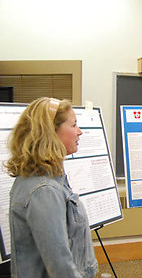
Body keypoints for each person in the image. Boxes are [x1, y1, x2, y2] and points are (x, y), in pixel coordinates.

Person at [5, 97, 98, 277]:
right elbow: (60, 266)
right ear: (50, 132)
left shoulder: (49, 179)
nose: (80, 132)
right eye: (73, 125)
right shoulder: (44, 190)